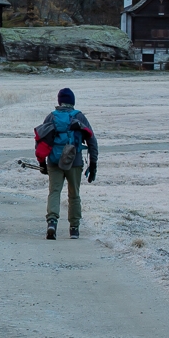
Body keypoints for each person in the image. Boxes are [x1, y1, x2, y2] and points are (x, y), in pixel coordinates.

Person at [33, 87, 98, 240]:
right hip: (74, 161)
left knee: (54, 192)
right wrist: (93, 164)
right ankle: (74, 229)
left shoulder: (51, 117)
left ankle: (52, 223)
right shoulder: (79, 117)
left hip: (54, 161)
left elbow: (40, 141)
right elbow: (92, 140)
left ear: (59, 102)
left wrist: (42, 163)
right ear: (72, 102)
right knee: (74, 194)